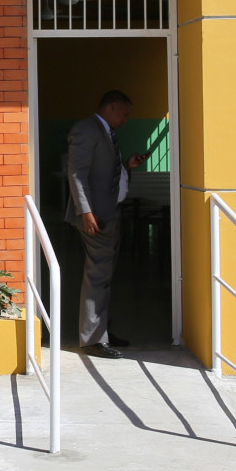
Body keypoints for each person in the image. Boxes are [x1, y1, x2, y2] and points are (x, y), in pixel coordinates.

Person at [63, 90, 146, 359]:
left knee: (104, 276)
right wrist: (86, 211)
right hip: (96, 218)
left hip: (109, 214)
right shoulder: (86, 129)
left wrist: (127, 166)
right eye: (124, 113)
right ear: (111, 107)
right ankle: (92, 339)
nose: (126, 119)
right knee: (98, 275)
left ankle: (101, 332)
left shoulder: (106, 132)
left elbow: (103, 173)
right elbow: (77, 173)